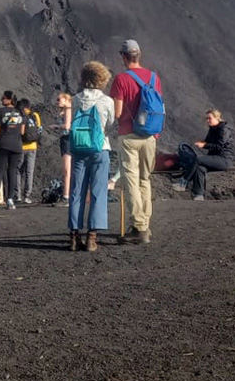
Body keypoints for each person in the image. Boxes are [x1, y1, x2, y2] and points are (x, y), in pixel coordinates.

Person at [110, 39, 163, 245]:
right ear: (139, 55)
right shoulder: (153, 77)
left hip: (129, 135)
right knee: (144, 179)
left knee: (130, 179)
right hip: (150, 136)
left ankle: (138, 228)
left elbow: (118, 113)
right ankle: (145, 224)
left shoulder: (121, 79)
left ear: (124, 57)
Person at [67, 63, 114, 252]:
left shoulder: (75, 99)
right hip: (100, 149)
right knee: (98, 193)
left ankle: (73, 236)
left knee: (76, 192)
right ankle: (92, 237)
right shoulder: (107, 101)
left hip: (79, 149)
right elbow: (110, 123)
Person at [189, 109, 235, 200]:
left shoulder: (223, 130)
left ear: (217, 118)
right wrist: (201, 143)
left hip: (224, 159)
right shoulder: (212, 130)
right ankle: (199, 194)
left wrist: (204, 145)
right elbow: (207, 142)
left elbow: (219, 146)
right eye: (207, 118)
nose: (208, 120)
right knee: (200, 168)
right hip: (215, 158)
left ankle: (185, 180)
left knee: (198, 159)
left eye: (209, 118)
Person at [0, 91, 26, 210]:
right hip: (16, 145)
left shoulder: (0, 112)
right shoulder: (20, 113)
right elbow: (22, 132)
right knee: (12, 172)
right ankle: (10, 199)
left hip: (3, 144)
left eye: (3, 97)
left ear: (8, 100)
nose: (1, 99)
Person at [16, 98, 41, 204]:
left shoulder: (19, 116)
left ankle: (17, 195)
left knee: (18, 171)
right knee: (29, 172)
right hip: (32, 146)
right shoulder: (35, 116)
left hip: (21, 146)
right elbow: (39, 129)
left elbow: (19, 132)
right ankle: (27, 195)